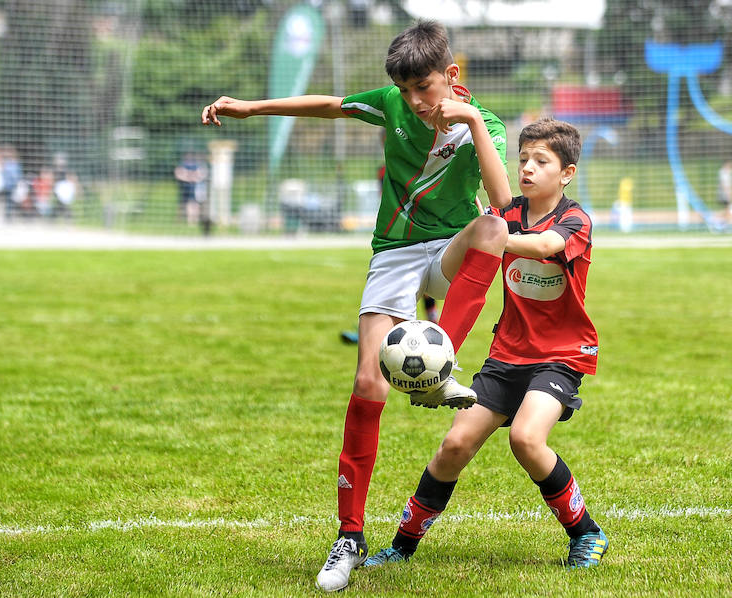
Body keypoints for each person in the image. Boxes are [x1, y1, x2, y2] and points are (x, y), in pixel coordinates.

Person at [201, 20, 508, 592]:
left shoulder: (481, 124)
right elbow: (330, 105)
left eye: (426, 87)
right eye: (406, 89)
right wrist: (252, 108)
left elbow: (503, 204)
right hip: (393, 255)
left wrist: (469, 123)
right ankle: (349, 538)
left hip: (450, 250)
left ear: (451, 75)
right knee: (369, 384)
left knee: (491, 227)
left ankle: (441, 366)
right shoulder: (392, 102)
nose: (416, 101)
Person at [363, 115, 608, 572]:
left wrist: (495, 237)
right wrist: (476, 227)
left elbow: (541, 246)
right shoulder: (508, 213)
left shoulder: (575, 219)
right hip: (506, 355)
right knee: (454, 446)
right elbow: (486, 224)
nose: (528, 168)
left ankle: (586, 533)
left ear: (567, 172)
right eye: (523, 159)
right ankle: (402, 544)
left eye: (541, 161)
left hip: (560, 356)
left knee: (526, 438)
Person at [174, 151, 209, 225]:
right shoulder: (182, 164)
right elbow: (179, 173)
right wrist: (189, 176)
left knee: (195, 203)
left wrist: (189, 176)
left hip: (195, 188)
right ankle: (185, 220)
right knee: (184, 204)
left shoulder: (198, 165)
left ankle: (194, 220)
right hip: (184, 188)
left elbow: (200, 175)